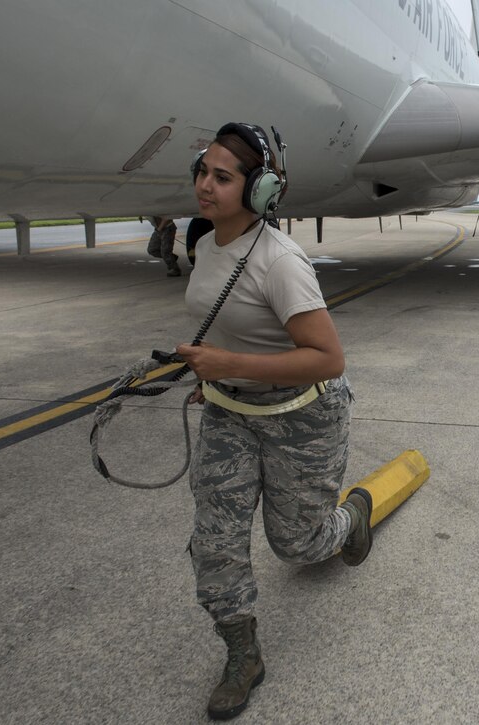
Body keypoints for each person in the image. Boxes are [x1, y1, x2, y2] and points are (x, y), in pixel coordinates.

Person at [173, 123, 371, 720]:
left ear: (258, 191)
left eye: (223, 177)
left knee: (298, 544)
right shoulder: (206, 245)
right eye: (202, 171)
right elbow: (230, 324)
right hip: (231, 414)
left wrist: (227, 363)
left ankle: (352, 518)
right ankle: (243, 655)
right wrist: (216, 379)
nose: (206, 185)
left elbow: (327, 358)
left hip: (302, 416)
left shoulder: (281, 262)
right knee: (215, 541)